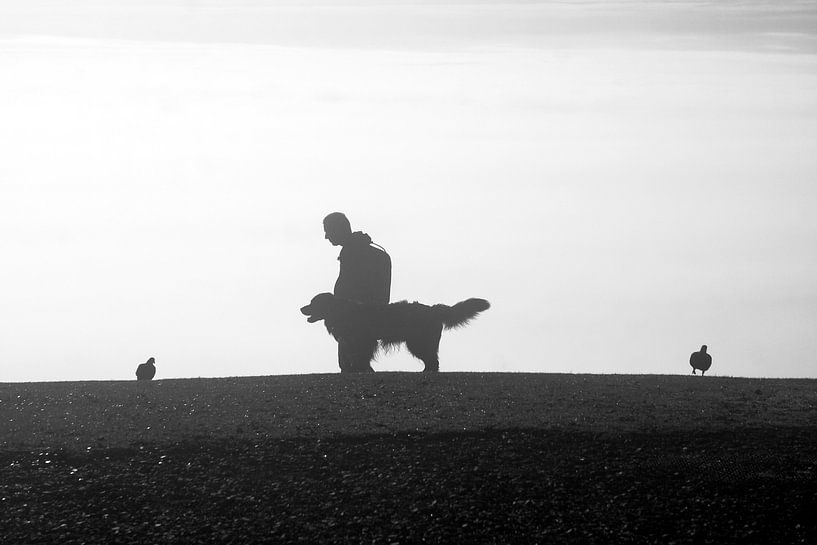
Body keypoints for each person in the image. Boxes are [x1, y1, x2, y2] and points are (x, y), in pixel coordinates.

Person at [323, 212, 391, 372]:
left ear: (338, 229)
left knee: (354, 365)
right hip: (364, 317)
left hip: (354, 321)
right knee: (356, 364)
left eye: (328, 230)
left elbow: (352, 289)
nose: (326, 236)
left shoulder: (353, 253)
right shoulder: (374, 254)